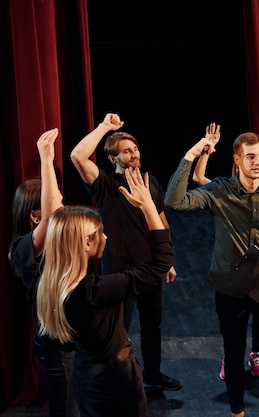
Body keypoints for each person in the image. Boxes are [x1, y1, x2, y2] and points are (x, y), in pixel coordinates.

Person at [164, 131, 259, 417]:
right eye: (251, 156)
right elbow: (174, 202)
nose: (258, 162)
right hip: (231, 288)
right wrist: (191, 156)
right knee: (233, 353)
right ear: (237, 159)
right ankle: (237, 412)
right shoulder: (219, 190)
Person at [36, 167, 174, 417]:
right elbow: (161, 263)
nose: (106, 236)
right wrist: (148, 207)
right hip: (114, 378)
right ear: (86, 242)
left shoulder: (51, 281)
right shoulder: (94, 291)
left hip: (87, 373)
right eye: (100, 233)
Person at [70, 113, 181, 391]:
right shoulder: (105, 185)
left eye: (135, 149)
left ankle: (152, 374)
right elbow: (79, 156)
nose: (133, 154)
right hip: (120, 270)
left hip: (151, 265)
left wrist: (168, 260)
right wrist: (105, 127)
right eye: (126, 151)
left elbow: (162, 220)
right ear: (112, 159)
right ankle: (116, 379)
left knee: (152, 324)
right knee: (118, 329)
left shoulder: (149, 181)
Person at [8, 128, 79, 417]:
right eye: (56, 201)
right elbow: (52, 216)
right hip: (57, 347)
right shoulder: (21, 248)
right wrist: (46, 161)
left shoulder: (56, 242)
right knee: (66, 411)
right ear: (35, 217)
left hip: (74, 336)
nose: (62, 206)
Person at [191, 123, 259, 380]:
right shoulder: (223, 191)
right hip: (232, 266)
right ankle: (229, 355)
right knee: (232, 322)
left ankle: (255, 353)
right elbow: (198, 179)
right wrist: (206, 151)